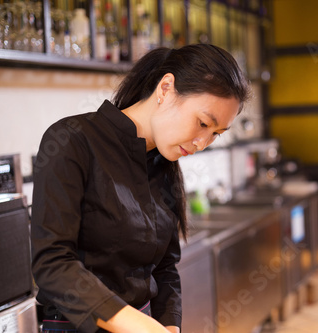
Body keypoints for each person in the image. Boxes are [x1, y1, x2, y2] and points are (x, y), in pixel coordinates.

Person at [31, 43, 251, 333]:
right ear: (166, 88)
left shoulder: (164, 162)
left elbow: (165, 268)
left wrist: (170, 326)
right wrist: (139, 327)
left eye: (215, 134)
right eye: (202, 123)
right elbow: (53, 263)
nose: (201, 143)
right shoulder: (71, 140)